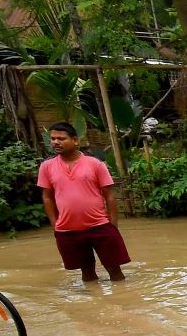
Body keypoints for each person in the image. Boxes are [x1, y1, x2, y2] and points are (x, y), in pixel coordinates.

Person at [38, 121, 130, 284]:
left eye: (61, 138)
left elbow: (109, 195)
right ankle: (93, 304)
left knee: (115, 270)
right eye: (53, 139)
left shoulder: (95, 164)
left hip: (100, 225)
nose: (56, 142)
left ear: (75, 140)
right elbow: (47, 197)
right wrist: (55, 224)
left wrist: (113, 225)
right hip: (67, 229)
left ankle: (124, 303)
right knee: (86, 273)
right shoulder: (47, 167)